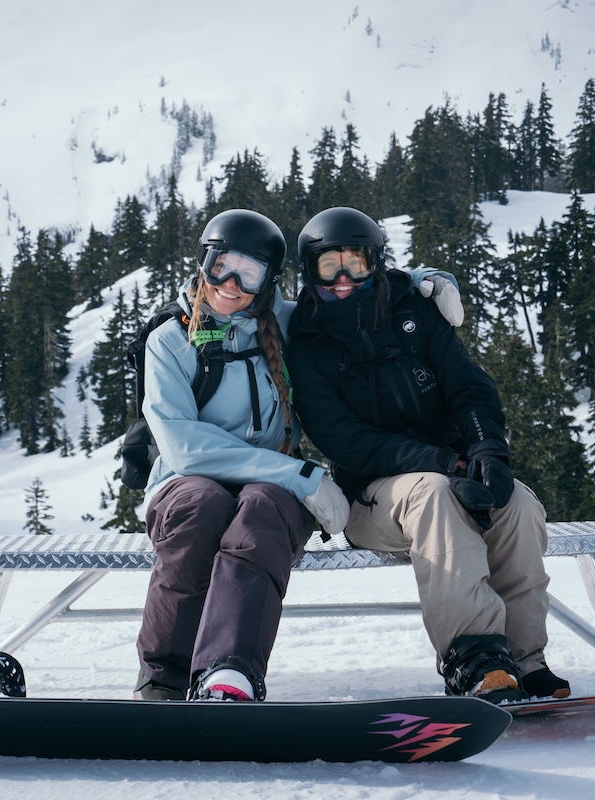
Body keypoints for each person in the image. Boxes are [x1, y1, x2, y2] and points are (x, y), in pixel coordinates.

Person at [284, 206, 570, 703]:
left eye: (358, 262)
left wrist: (487, 451)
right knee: (433, 495)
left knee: (518, 505)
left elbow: (469, 387)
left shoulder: (413, 311)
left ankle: (526, 658)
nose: (346, 277)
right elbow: (342, 437)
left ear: (376, 262)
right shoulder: (306, 344)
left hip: (456, 468)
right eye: (331, 266)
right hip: (372, 496)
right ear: (310, 271)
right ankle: (475, 657)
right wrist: (442, 463)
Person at [134, 208, 349, 702]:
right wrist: (301, 475)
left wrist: (422, 284)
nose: (230, 284)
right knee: (202, 505)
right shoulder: (170, 339)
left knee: (261, 510)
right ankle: (164, 680)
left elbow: (347, 297)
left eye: (248, 273)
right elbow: (184, 448)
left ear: (268, 283)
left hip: (269, 489)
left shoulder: (285, 323)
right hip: (185, 481)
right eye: (221, 266)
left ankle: (228, 673)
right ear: (203, 262)